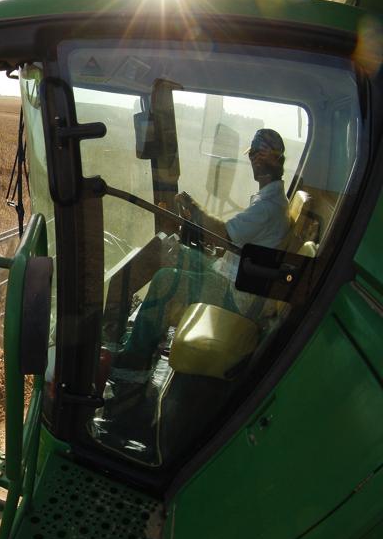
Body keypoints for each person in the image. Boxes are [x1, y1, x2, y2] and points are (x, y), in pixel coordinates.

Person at [116, 128, 290, 371]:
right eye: (253, 155)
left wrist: (195, 209)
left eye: (261, 155)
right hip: (235, 275)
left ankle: (133, 363)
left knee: (165, 279)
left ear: (277, 159)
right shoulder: (269, 200)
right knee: (175, 251)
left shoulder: (269, 206)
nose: (255, 161)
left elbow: (224, 234)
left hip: (237, 294)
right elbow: (233, 240)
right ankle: (149, 333)